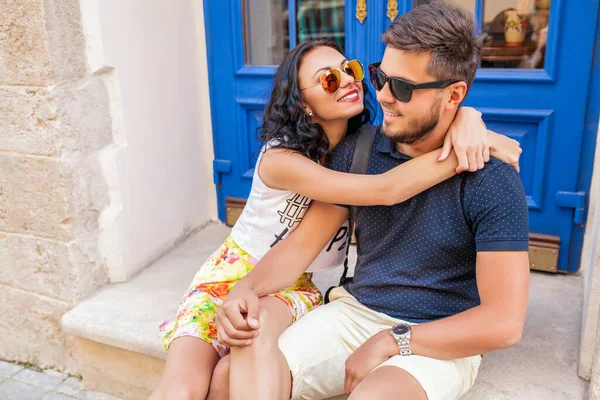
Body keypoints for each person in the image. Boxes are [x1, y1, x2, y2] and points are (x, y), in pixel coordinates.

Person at [150, 34, 521, 400]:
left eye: (401, 87)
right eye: (379, 77)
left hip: (428, 327)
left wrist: (469, 124)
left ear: (453, 95)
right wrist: (245, 288)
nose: (381, 94)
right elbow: (340, 219)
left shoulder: (490, 179)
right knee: (217, 375)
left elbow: (504, 323)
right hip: (298, 295)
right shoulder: (328, 157)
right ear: (303, 104)